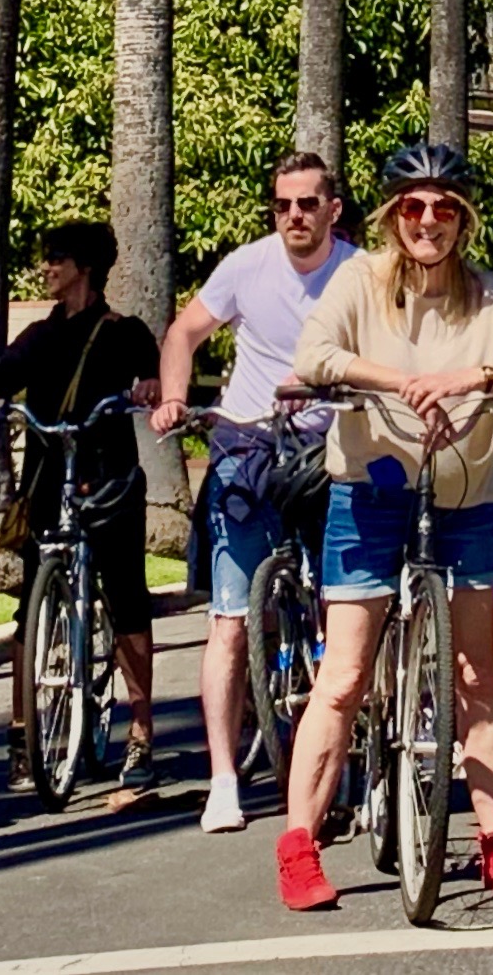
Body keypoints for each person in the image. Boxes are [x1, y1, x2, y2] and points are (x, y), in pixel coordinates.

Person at [274, 143, 493, 913]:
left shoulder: (492, 296)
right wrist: (401, 380)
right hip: (369, 489)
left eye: (443, 207)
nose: (427, 220)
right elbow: (315, 354)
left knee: (476, 674)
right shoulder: (360, 279)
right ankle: (299, 843)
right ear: (391, 215)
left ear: (463, 219)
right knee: (343, 676)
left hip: (464, 494)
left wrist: (474, 377)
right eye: (412, 205)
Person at [150, 149, 358, 834]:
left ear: (332, 209)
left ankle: (343, 759)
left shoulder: (358, 272)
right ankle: (222, 780)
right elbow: (184, 331)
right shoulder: (246, 266)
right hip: (247, 443)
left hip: (328, 451)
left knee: (344, 612)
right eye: (282, 204)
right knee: (230, 619)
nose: (293, 215)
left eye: (307, 203)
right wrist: (175, 397)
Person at [0, 218, 161, 791]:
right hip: (47, 484)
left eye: (56, 258)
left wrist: (150, 386)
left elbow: (153, 374)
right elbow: (3, 376)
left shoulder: (124, 332)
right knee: (28, 609)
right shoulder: (40, 335)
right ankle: (22, 735)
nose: (46, 267)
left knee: (127, 599)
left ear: (84, 267)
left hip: (109, 484)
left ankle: (141, 730)